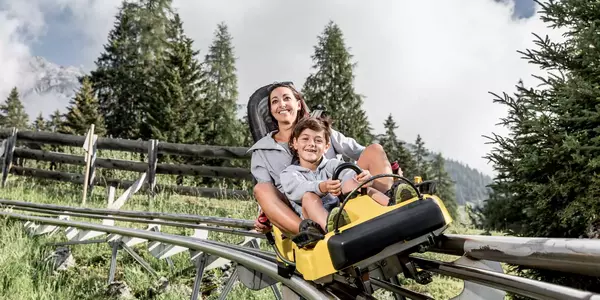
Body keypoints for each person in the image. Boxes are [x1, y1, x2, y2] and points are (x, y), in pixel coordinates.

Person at [248, 82, 411, 235]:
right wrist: (266, 215)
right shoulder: (264, 153)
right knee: (263, 189)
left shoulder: (322, 132)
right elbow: (274, 193)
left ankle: (391, 205)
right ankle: (311, 231)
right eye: (275, 101)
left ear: (298, 104)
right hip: (302, 207)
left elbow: (355, 161)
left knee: (375, 150)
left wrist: (366, 175)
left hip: (341, 195)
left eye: (286, 98)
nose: (282, 104)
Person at [280, 116, 392, 233]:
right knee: (309, 196)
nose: (311, 144)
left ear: (326, 147)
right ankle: (331, 227)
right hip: (317, 222)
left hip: (343, 212)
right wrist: (322, 186)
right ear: (295, 143)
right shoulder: (290, 173)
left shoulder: (332, 165)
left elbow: (348, 173)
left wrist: (361, 177)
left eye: (318, 140)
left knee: (354, 184)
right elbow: (297, 189)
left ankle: (390, 203)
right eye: (305, 139)